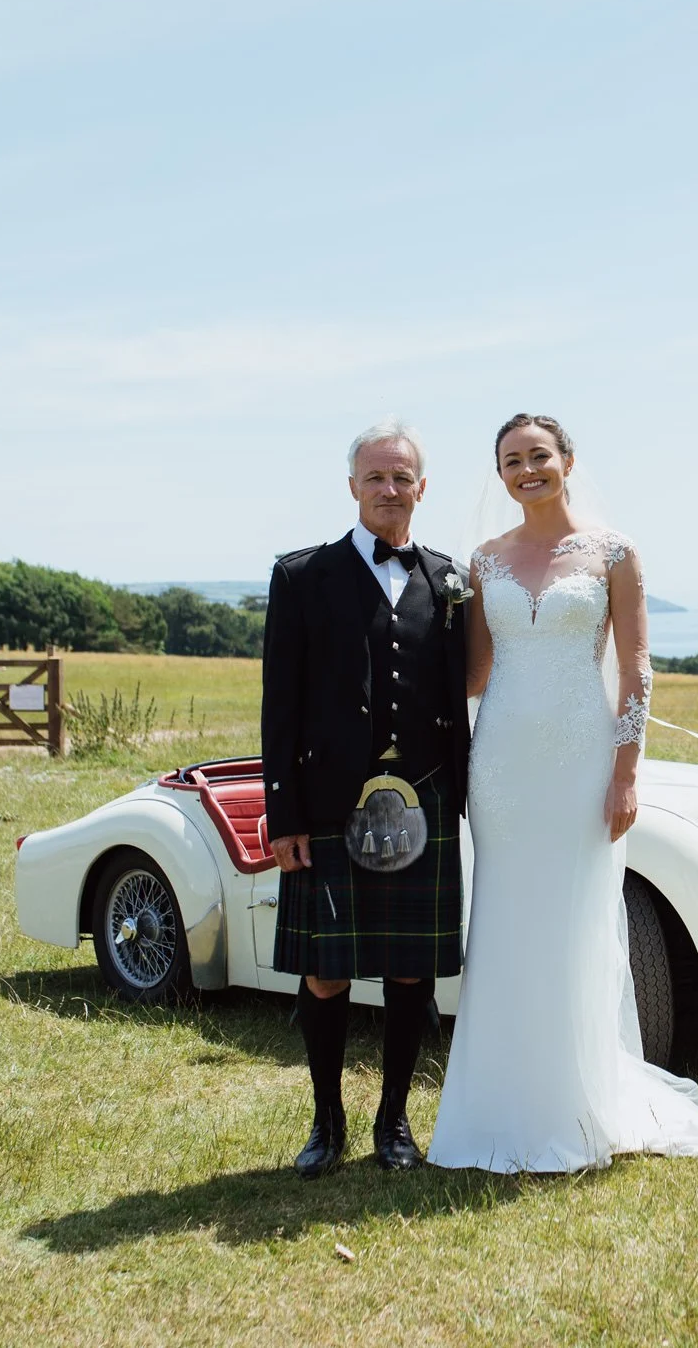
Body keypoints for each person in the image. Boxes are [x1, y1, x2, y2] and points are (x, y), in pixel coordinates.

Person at [427, 413, 698, 1172]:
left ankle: (578, 1102)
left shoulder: (614, 553)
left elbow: (637, 670)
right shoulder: (484, 561)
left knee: (575, 925)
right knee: (505, 925)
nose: (527, 470)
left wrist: (626, 773)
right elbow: (475, 674)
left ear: (567, 461)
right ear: (500, 476)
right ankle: (499, 1104)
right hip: (501, 769)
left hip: (583, 765)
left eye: (539, 456)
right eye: (512, 461)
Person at [262, 420, 471, 1176]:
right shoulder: (301, 576)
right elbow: (278, 702)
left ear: (422, 487)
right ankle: (326, 1124)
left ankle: (394, 1122)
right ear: (353, 487)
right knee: (326, 972)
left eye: (403, 477)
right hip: (325, 803)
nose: (390, 489)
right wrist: (281, 812)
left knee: (411, 970)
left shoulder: (450, 580)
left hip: (424, 800)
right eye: (376, 477)